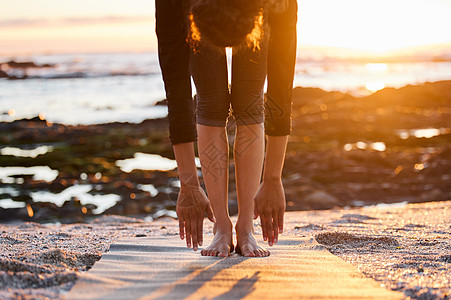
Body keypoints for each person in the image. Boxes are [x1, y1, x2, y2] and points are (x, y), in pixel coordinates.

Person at [155, 0, 297, 257]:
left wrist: (273, 177)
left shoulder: (276, 5)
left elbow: (281, 81)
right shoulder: (174, 5)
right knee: (211, 100)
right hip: (196, 10)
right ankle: (221, 226)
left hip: (254, 9)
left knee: (249, 99)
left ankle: (246, 227)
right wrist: (188, 183)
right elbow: (177, 91)